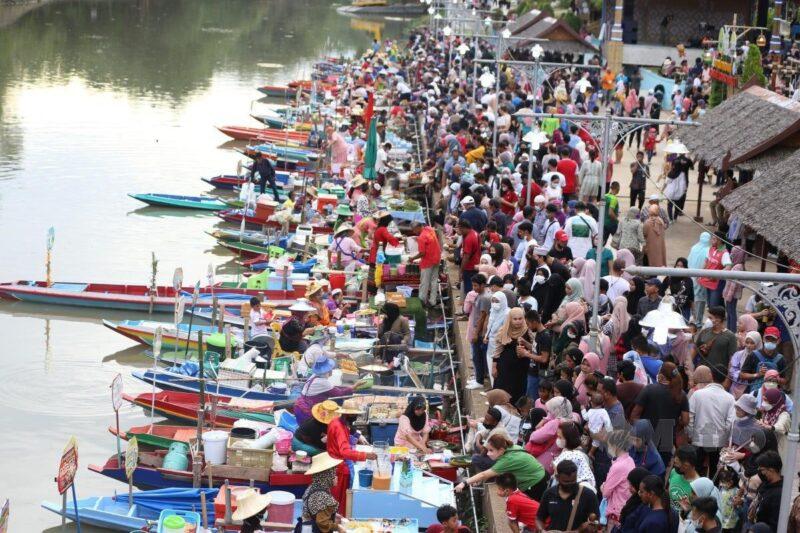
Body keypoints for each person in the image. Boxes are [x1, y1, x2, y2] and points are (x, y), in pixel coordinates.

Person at [455, 432, 548, 500]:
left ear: (501, 450)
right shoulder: (511, 447)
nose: (488, 454)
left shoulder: (506, 460)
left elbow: (484, 474)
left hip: (536, 482)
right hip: (540, 473)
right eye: (488, 450)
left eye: (491, 450)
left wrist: (464, 483)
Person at [631, 362, 688, 466]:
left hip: (646, 438)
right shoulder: (681, 394)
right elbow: (685, 420)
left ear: (661, 375)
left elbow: (635, 414)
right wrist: (675, 423)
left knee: (643, 468)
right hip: (667, 438)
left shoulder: (649, 389)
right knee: (661, 468)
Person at [326, 400, 377, 507]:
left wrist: (358, 437)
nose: (356, 418)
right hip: (339, 466)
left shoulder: (335, 421)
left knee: (334, 497)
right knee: (341, 498)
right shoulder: (339, 427)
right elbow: (345, 452)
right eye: (355, 415)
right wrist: (366, 455)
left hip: (332, 462)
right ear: (349, 414)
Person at [688, 365, 735, 477]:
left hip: (698, 440)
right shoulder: (730, 398)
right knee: (715, 473)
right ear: (725, 378)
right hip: (718, 442)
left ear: (711, 376)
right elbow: (730, 424)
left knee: (696, 473)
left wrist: (691, 435)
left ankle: (697, 493)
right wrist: (724, 439)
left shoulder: (697, 394)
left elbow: (689, 418)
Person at [536, 460, 600, 531]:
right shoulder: (549, 494)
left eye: (573, 481)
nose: (570, 484)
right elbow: (539, 518)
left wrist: (579, 531)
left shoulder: (588, 495)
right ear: (557, 478)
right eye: (566, 482)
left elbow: (595, 523)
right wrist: (541, 530)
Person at [491, 307, 534, 404]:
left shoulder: (528, 330)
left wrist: (525, 345)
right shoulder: (504, 330)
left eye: (520, 319)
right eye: (515, 319)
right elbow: (497, 350)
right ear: (510, 319)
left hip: (521, 367)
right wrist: (494, 367)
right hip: (505, 367)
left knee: (518, 391)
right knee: (502, 389)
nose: (518, 322)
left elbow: (535, 348)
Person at [299, 452, 345, 533]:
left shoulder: (312, 487)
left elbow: (315, 511)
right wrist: (338, 528)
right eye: (334, 474)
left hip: (305, 528)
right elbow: (322, 522)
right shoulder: (323, 497)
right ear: (327, 477)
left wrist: (333, 515)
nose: (336, 477)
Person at [601, 430, 636, 529]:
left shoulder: (618, 466)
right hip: (625, 507)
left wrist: (603, 486)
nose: (608, 447)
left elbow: (605, 493)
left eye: (609, 444)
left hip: (616, 513)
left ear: (616, 446)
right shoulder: (630, 460)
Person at [553, 421, 596, 490]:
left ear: (568, 438)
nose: (558, 439)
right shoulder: (567, 450)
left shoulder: (578, 455)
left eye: (560, 437)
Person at [694, 306, 737, 375]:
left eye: (710, 318)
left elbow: (732, 360)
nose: (708, 320)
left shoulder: (730, 336)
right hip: (703, 373)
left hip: (719, 375)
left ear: (718, 319)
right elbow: (695, 349)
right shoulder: (704, 332)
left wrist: (728, 380)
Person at [411, 221, 442, 307]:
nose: (414, 232)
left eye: (414, 230)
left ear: (418, 227)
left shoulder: (422, 237)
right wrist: (417, 238)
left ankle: (422, 300)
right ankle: (433, 301)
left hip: (428, 261)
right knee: (434, 280)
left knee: (424, 282)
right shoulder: (429, 229)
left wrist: (412, 258)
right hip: (437, 257)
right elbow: (429, 241)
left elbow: (422, 253)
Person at [751, 451, 783, 531]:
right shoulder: (766, 484)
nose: (760, 472)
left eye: (762, 469)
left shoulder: (778, 494)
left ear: (771, 470)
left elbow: (774, 524)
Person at [618, 467, 651, 532]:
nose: (629, 488)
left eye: (632, 485)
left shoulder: (644, 506)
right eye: (629, 484)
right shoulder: (634, 499)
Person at [458, 219, 481, 295]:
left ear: (463, 228)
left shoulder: (469, 238)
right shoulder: (475, 233)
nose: (460, 231)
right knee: (473, 289)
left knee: (469, 291)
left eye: (460, 229)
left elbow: (466, 257)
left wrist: (461, 271)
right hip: (476, 264)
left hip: (469, 267)